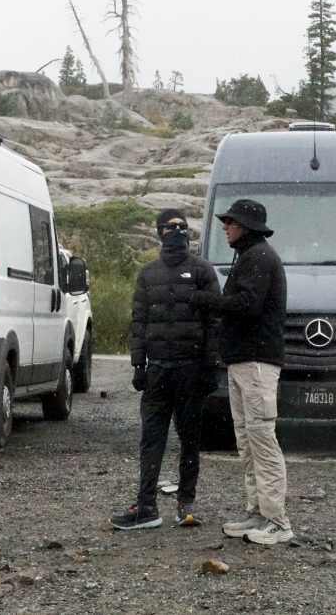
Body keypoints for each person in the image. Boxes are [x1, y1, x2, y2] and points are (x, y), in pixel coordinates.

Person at [110, 208, 221, 530]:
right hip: (158, 369)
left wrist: (210, 366)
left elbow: (215, 321)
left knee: (189, 439)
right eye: (171, 227)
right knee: (151, 439)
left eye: (183, 227)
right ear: (159, 232)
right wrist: (137, 364)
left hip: (191, 369)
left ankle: (186, 504)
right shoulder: (148, 273)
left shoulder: (202, 270)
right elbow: (139, 321)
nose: (178, 232)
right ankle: (146, 506)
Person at [194, 198, 293, 545]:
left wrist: (209, 301)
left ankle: (277, 520)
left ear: (246, 227)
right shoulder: (249, 257)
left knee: (262, 439)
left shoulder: (260, 258)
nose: (225, 226)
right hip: (242, 360)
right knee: (247, 439)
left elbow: (248, 306)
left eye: (231, 222)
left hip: (257, 361)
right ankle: (257, 511)